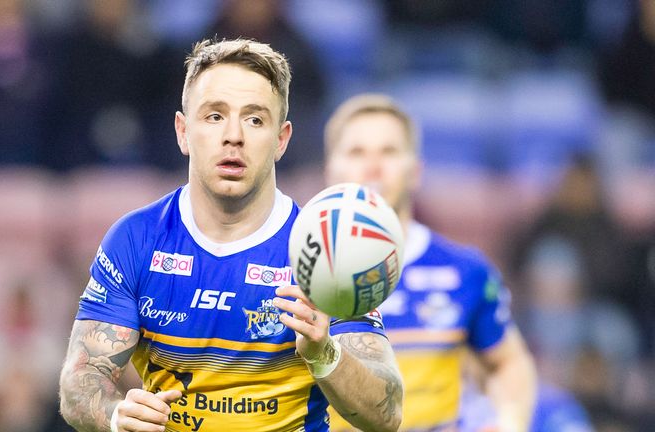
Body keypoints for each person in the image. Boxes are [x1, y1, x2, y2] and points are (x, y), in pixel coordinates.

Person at [58, 39, 403, 432]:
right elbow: (80, 384)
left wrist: (324, 353)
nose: (234, 135)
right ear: (183, 132)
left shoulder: (325, 250)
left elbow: (386, 413)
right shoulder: (135, 241)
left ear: (281, 140)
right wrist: (116, 416)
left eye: (255, 119)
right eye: (214, 116)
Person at [322, 94, 537, 432]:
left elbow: (507, 362)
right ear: (330, 170)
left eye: (389, 152)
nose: (373, 166)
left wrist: (509, 422)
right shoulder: (292, 270)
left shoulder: (465, 271)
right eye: (356, 152)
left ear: (415, 171)